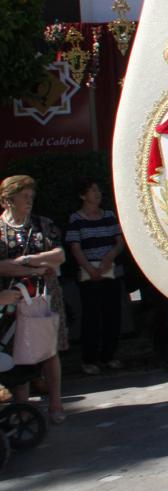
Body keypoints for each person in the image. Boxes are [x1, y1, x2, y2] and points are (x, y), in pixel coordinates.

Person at [0, 175, 67, 423]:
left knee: (49, 350)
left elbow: (58, 255)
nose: (30, 200)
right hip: (11, 299)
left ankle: (56, 403)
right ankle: (22, 409)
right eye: (24, 196)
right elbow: (0, 268)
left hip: (45, 295)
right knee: (17, 351)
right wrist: (35, 267)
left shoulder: (42, 224)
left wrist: (25, 262)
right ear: (8, 200)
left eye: (31, 195)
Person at [66, 179, 126, 375]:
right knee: (91, 317)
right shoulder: (76, 219)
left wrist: (109, 257)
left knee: (112, 315)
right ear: (83, 195)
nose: (97, 193)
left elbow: (119, 242)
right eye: (92, 190)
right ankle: (89, 359)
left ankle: (109, 355)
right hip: (88, 274)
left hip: (110, 271)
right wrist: (90, 269)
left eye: (98, 189)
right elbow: (75, 247)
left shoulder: (108, 215)